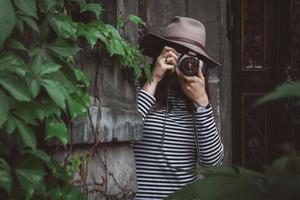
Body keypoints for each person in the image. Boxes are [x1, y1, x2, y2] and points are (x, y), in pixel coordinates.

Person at [133, 16, 224, 200]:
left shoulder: (199, 109)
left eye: (191, 56)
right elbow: (127, 130)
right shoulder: (143, 93)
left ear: (201, 65)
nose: (184, 61)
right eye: (179, 52)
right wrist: (154, 80)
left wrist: (202, 101)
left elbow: (213, 165)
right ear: (162, 54)